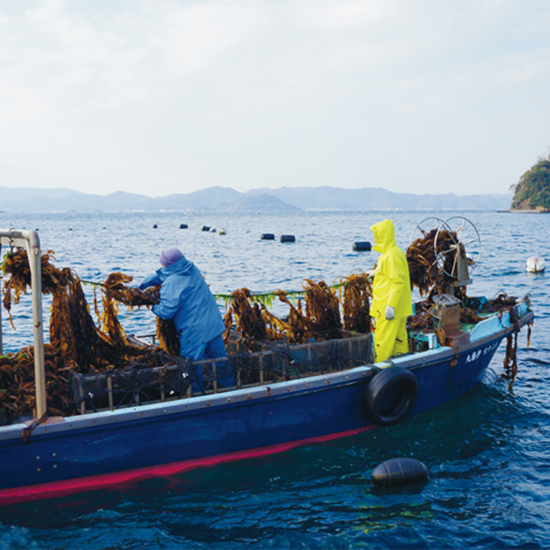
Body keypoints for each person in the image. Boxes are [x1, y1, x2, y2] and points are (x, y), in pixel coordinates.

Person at [139, 247, 234, 388]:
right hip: (213, 325)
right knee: (220, 360)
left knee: (191, 367)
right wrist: (144, 284)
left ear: (165, 265)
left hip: (194, 333)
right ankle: (230, 388)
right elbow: (163, 274)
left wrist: (150, 305)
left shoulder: (171, 283)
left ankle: (198, 397)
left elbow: (166, 311)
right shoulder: (191, 269)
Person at [369, 219, 413, 363]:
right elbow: (391, 275)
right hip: (399, 308)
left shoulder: (390, 256)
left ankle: (380, 371)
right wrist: (375, 273)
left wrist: (390, 305)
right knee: (399, 340)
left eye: (376, 235)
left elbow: (398, 283)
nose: (374, 239)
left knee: (383, 340)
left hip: (387, 307)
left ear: (383, 236)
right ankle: (401, 366)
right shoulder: (395, 252)